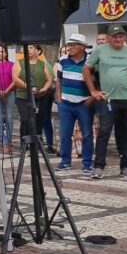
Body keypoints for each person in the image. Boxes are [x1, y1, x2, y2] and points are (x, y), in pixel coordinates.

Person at [85, 25, 127, 179]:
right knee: (104, 132)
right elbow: (86, 68)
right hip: (108, 99)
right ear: (109, 37)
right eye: (115, 36)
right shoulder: (100, 50)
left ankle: (126, 166)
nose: (118, 39)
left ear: (125, 37)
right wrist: (93, 91)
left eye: (121, 36)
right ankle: (98, 166)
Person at [55, 34, 94, 174]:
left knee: (87, 133)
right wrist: (59, 98)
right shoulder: (63, 60)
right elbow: (58, 80)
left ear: (82, 47)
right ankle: (65, 161)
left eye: (72, 45)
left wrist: (92, 97)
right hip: (66, 103)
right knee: (65, 133)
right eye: (68, 45)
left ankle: (88, 163)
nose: (69, 48)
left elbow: (96, 80)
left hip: (84, 103)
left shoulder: (90, 61)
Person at [13, 44, 54, 143]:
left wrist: (44, 89)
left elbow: (49, 79)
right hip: (23, 96)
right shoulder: (19, 63)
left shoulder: (42, 63)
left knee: (39, 119)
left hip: (40, 96)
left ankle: (37, 142)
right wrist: (28, 87)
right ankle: (24, 143)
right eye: (26, 48)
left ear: (37, 50)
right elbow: (15, 78)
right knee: (25, 119)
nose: (29, 50)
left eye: (31, 48)